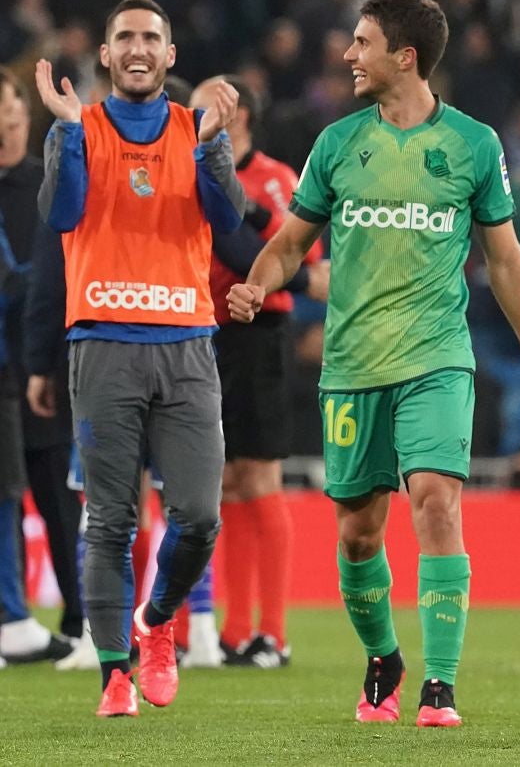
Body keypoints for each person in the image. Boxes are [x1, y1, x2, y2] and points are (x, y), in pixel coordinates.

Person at [227, 0, 520, 728]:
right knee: (357, 529)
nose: (349, 55)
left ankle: (440, 685)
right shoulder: (336, 144)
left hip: (437, 357)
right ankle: (384, 657)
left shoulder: (475, 145)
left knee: (438, 503)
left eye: (361, 43)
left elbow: (506, 262)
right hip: (352, 366)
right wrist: (257, 285)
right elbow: (292, 244)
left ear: (404, 57)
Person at [34, 0, 245, 717]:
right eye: (124, 36)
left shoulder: (194, 130)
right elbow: (61, 215)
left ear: (170, 55)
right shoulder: (78, 128)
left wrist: (214, 145)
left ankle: (156, 623)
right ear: (104, 54)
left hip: (186, 343)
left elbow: (229, 220)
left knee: (199, 514)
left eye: (151, 36)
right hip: (101, 342)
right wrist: (63, 136)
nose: (137, 47)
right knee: (111, 521)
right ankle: (114, 675)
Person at [195, 75, 329, 669]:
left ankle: (272, 633)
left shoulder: (276, 179)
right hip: (204, 333)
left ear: (238, 114)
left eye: (203, 107)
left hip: (259, 336)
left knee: (259, 477)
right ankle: (234, 630)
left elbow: (304, 259)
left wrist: (252, 222)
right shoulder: (200, 170)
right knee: (223, 484)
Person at [0, 67, 79, 665]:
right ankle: (13, 618)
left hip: (44, 363)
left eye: (11, 110)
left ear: (27, 117)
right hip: (10, 363)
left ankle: (78, 617)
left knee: (56, 497)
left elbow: (57, 274)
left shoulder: (48, 183)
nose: (6, 122)